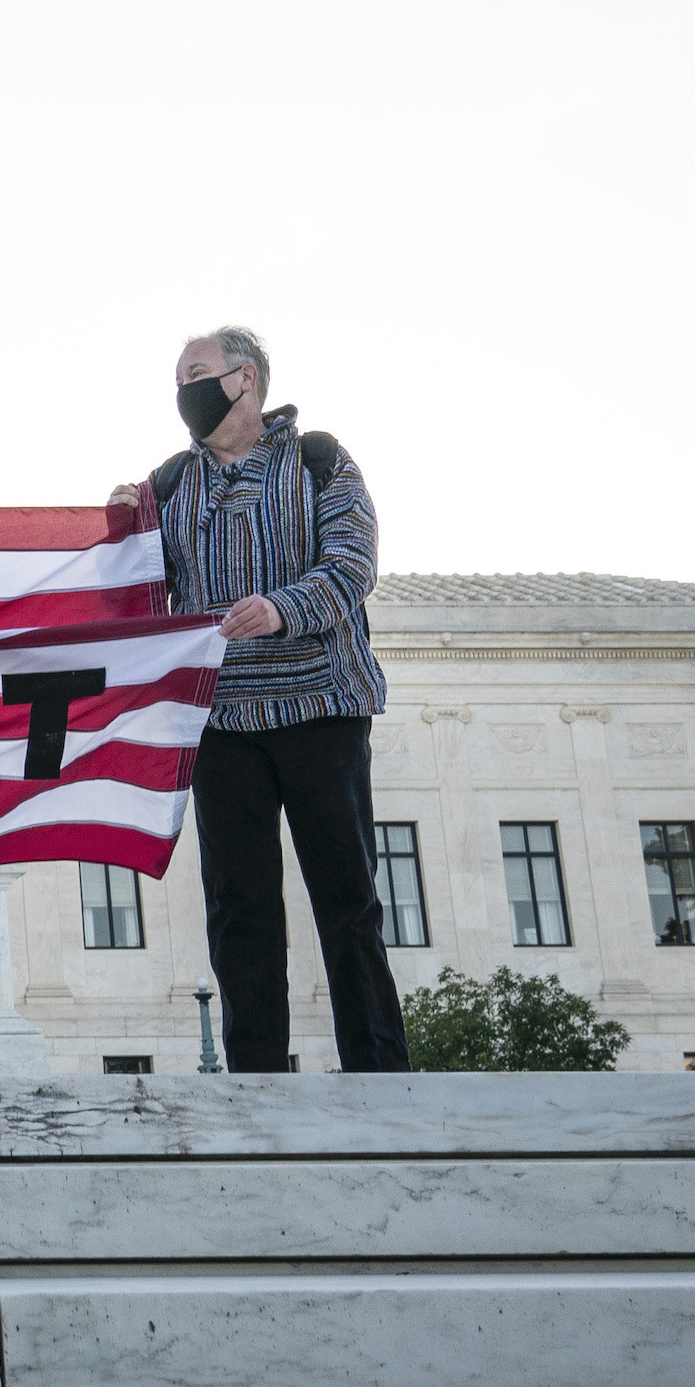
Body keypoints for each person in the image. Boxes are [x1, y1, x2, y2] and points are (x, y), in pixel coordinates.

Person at [110, 327, 408, 1074]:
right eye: (179, 378)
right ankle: (254, 1079)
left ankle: (377, 1069)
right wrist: (117, 531)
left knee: (346, 898)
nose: (185, 389)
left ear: (244, 380)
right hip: (221, 722)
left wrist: (282, 607)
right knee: (238, 908)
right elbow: (140, 599)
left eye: (198, 373)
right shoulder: (169, 485)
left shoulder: (319, 461)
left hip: (319, 708)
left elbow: (352, 565)